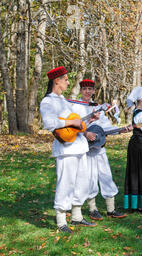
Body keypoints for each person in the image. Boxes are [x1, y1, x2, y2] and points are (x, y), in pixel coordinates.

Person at [40, 67, 97, 234]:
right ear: (56, 80)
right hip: (66, 149)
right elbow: (50, 123)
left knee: (82, 182)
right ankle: (60, 220)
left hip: (79, 146)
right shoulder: (48, 101)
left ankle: (77, 216)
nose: (67, 82)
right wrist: (72, 123)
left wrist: (88, 119)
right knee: (66, 183)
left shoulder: (64, 100)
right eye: (65, 79)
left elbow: (74, 121)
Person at [78, 79, 128, 220]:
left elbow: (105, 127)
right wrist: (88, 126)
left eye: (90, 89)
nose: (87, 91)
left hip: (100, 148)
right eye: (85, 89)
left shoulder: (98, 107)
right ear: (81, 91)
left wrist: (120, 130)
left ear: (94, 91)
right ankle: (93, 209)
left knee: (106, 176)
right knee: (90, 178)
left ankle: (111, 209)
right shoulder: (76, 107)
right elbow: (74, 127)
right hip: (86, 149)